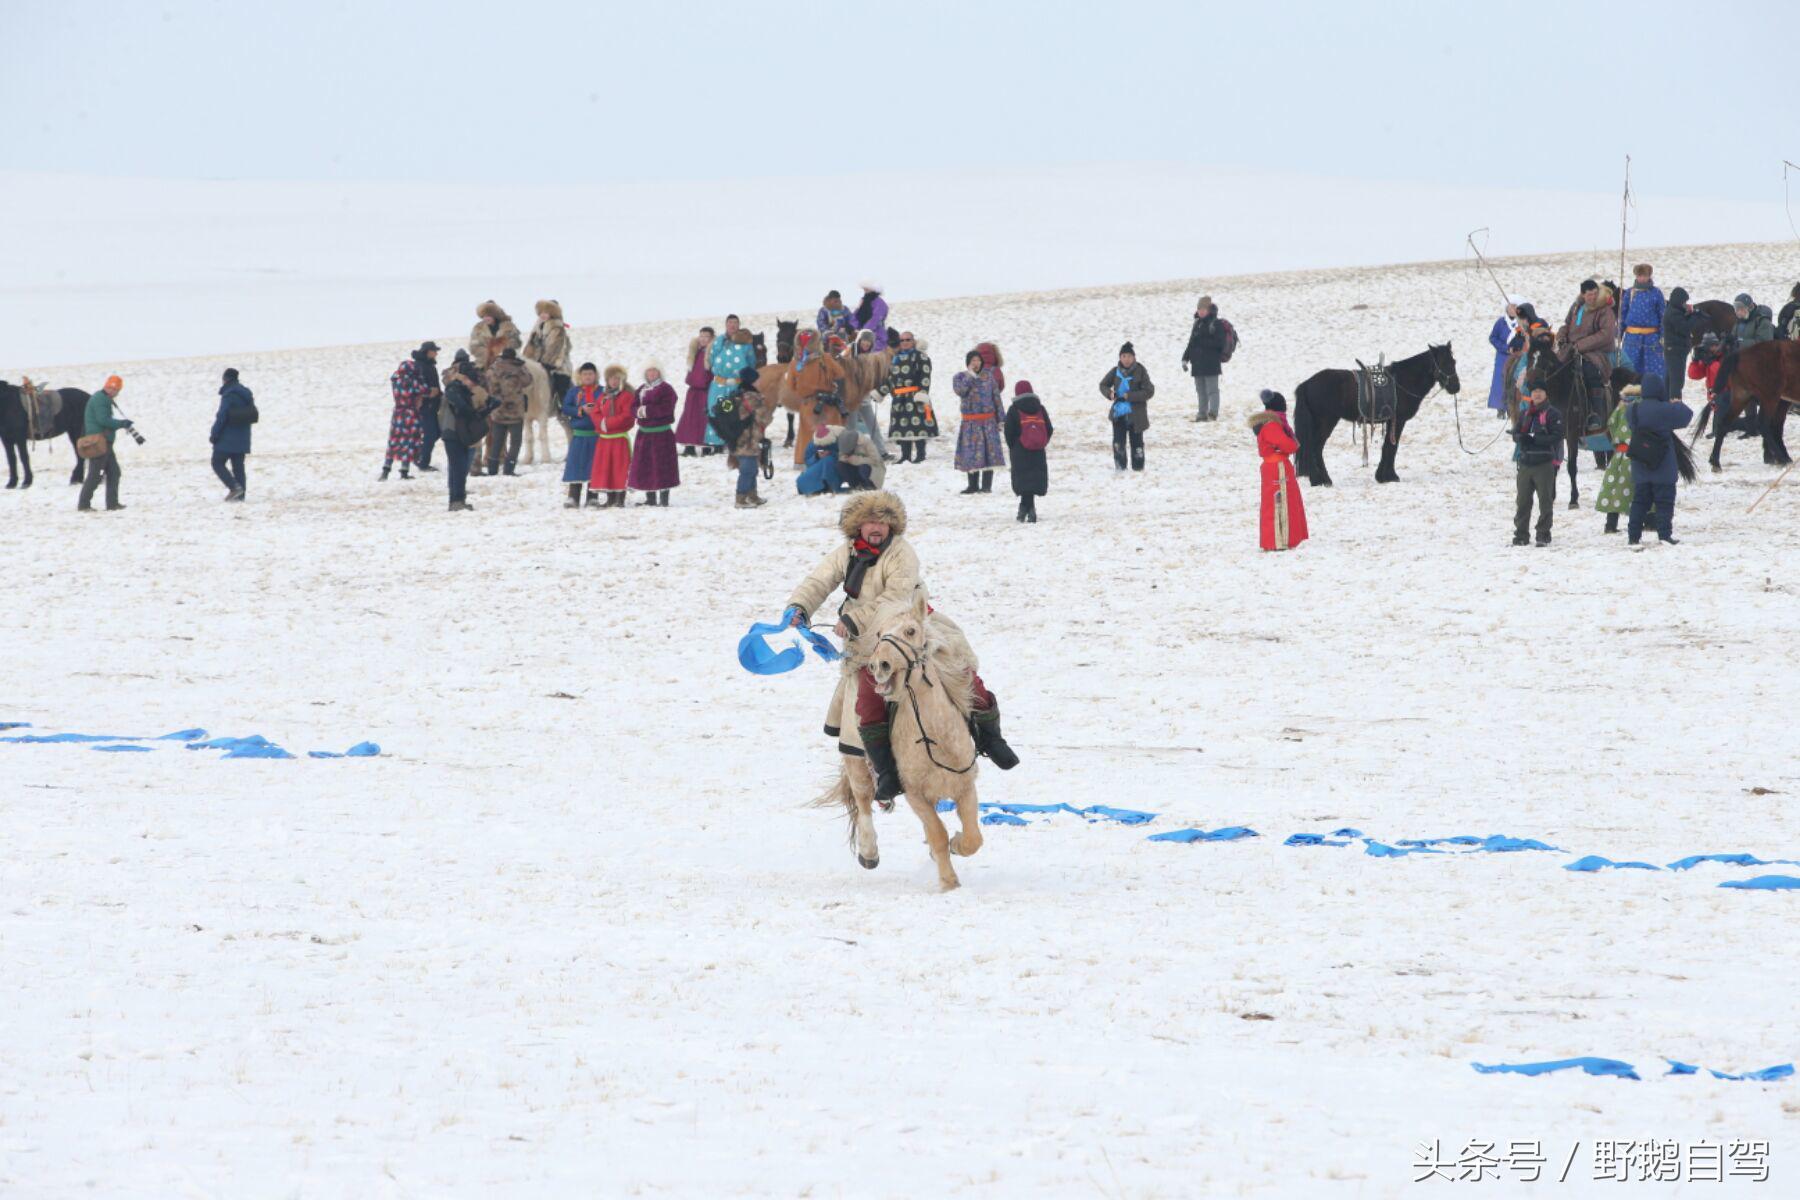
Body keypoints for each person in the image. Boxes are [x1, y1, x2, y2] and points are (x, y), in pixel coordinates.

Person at [783, 490, 1018, 803]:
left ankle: (991, 737)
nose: (876, 527)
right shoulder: (846, 553)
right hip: (870, 637)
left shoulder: (902, 553)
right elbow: (819, 580)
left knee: (961, 671)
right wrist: (800, 607)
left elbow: (896, 597)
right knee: (868, 698)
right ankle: (886, 770)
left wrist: (853, 620)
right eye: (870, 522)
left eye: (882, 522)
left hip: (909, 626)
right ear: (857, 526)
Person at [1624, 373, 1694, 546]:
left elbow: (1631, 423)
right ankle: (1664, 535)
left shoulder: (1632, 409)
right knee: (1664, 502)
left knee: (1639, 502)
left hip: (1641, 462)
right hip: (1663, 464)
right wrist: (1677, 404)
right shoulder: (1666, 409)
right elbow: (1687, 416)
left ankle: (1633, 536)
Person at [1250, 390, 1308, 551]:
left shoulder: (1267, 423)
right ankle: (1280, 540)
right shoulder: (1273, 425)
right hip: (1278, 467)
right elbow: (1289, 445)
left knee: (1274, 502)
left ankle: (1277, 539)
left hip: (1273, 465)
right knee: (1281, 502)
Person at [1558, 280, 1617, 434]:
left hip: (1595, 351)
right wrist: (1561, 337)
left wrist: (1581, 345)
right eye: (1589, 294)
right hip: (1572, 349)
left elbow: (1606, 334)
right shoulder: (1576, 307)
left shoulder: (1604, 310)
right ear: (1583, 295)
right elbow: (1566, 324)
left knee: (1590, 371)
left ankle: (1595, 412)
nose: (1593, 297)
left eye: (1595, 294)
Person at [1511, 378, 1564, 546]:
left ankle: (1543, 534)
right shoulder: (1525, 413)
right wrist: (1519, 437)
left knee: (1545, 502)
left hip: (1544, 464)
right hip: (1525, 463)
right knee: (1522, 502)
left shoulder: (1553, 414)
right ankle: (1521, 534)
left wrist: (1534, 438)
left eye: (1540, 391)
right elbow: (1516, 433)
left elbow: (1557, 436)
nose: (1537, 394)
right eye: (1534, 391)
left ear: (1546, 394)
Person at [440, 350, 495, 512]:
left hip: (459, 433)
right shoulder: (454, 389)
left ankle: (459, 499)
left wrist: (488, 408)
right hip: (453, 433)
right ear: (465, 378)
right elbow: (464, 410)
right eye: (472, 382)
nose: (473, 385)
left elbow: (468, 413)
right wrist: (482, 411)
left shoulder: (459, 389)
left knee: (460, 468)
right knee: (458, 468)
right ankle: (456, 501)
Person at [785, 329, 847, 464]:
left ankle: (806, 463)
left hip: (808, 406)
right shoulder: (825, 358)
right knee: (831, 437)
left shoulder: (795, 363)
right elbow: (840, 373)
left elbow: (790, 386)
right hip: (829, 405)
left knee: (807, 438)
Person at [952, 348, 1006, 493]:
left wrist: (1001, 419)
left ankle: (986, 486)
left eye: (978, 360)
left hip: (988, 422)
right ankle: (973, 485)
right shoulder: (960, 377)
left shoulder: (989, 377)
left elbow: (996, 398)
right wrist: (970, 375)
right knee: (971, 453)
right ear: (968, 363)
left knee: (989, 453)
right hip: (970, 423)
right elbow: (960, 391)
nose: (976, 363)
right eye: (973, 361)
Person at [383, 342, 438, 480]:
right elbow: (426, 390)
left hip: (398, 414)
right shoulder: (412, 381)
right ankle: (404, 471)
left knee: (394, 441)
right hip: (411, 414)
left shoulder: (396, 381)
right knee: (409, 442)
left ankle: (386, 470)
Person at [1594, 378, 1642, 534]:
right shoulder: (1643, 406)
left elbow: (1611, 424)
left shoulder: (1621, 406)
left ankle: (1611, 524)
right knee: (1640, 489)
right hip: (1639, 453)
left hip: (1620, 454)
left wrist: (1616, 443)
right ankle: (1647, 521)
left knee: (1615, 489)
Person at [77, 374, 131, 512]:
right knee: (95, 475)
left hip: (104, 442)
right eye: (112, 388)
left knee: (114, 472)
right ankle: (84, 505)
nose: (114, 392)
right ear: (107, 387)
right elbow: (103, 420)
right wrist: (122, 423)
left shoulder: (101, 398)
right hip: (99, 443)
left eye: (116, 390)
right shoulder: (101, 400)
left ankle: (112, 504)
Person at [629, 363, 680, 507]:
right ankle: (650, 498)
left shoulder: (666, 389)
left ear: (659, 372)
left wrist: (646, 411)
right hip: (644, 434)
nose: (651, 373)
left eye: (654, 371)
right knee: (646, 465)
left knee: (663, 465)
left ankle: (664, 499)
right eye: (649, 371)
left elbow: (667, 408)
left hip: (662, 434)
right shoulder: (641, 389)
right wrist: (637, 412)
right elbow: (632, 407)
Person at [1099, 342, 1155, 472]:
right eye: (1124, 356)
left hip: (1136, 415)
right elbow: (1103, 385)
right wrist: (1110, 393)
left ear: (1134, 357)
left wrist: (1129, 396)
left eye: (1129, 356)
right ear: (1120, 357)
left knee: (1137, 446)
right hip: (1119, 414)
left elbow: (1149, 391)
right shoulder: (1115, 371)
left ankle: (1138, 470)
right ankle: (1120, 469)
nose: (1126, 359)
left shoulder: (1140, 371)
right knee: (1118, 444)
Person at [706, 315, 757, 457]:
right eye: (730, 322)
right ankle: (716, 443)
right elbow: (711, 358)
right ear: (726, 324)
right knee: (715, 411)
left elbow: (751, 362)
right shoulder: (718, 341)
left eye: (735, 322)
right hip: (719, 384)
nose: (732, 325)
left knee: (734, 413)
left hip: (736, 385)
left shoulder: (745, 343)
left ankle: (734, 441)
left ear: (739, 325)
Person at [723, 365, 772, 508]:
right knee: (748, 470)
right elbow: (764, 418)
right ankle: (741, 498)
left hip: (738, 439)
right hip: (748, 440)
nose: (760, 382)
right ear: (752, 381)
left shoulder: (737, 395)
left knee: (752, 468)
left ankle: (752, 495)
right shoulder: (752, 397)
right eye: (757, 379)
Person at [1003, 380, 1052, 523]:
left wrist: (1014, 446)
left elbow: (1008, 431)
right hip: (1038, 450)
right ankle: (1028, 509)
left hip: (1020, 451)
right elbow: (1049, 428)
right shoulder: (1040, 408)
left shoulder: (1014, 409)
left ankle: (1025, 509)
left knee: (1024, 481)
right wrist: (1041, 441)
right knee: (1033, 480)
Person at [587, 364, 635, 508]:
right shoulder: (604, 397)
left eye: (617, 378)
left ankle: (619, 499)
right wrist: (601, 423)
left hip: (619, 439)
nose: (614, 381)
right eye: (611, 378)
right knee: (607, 468)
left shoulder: (627, 396)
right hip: (605, 440)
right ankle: (610, 498)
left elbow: (627, 416)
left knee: (619, 468)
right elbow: (595, 412)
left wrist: (607, 423)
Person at [883, 332, 936, 461]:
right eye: (902, 340)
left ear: (913, 341)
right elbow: (890, 379)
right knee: (902, 426)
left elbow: (925, 375)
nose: (905, 342)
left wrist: (922, 393)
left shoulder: (921, 357)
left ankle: (920, 454)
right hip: (899, 398)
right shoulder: (895, 358)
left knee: (918, 426)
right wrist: (880, 392)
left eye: (908, 339)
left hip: (915, 396)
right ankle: (905, 456)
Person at [209, 367, 255, 501]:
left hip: (227, 437)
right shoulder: (246, 394)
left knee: (217, 462)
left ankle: (234, 487)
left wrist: (214, 434)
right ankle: (240, 497)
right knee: (238, 467)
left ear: (225, 379)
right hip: (243, 437)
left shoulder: (229, 394)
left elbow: (222, 416)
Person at [483, 347, 531, 476]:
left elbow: (487, 382)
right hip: (515, 411)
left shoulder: (493, 368)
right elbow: (528, 381)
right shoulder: (518, 368)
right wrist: (523, 367)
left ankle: (492, 469)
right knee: (515, 442)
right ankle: (509, 469)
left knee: (497, 441)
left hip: (498, 410)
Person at [1181, 296, 1229, 421]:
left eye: (1203, 309)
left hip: (1211, 363)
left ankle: (1213, 413)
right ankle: (1202, 414)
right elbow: (1191, 343)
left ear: (1209, 309)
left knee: (1212, 390)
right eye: (1199, 309)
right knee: (1200, 391)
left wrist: (1202, 341)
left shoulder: (1216, 323)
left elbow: (1220, 343)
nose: (1201, 311)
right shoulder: (1197, 323)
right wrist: (1185, 358)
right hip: (1197, 364)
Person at [1615, 264, 1666, 382]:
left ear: (1649, 276)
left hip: (1651, 339)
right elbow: (1622, 315)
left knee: (1654, 371)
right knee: (1630, 370)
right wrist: (1619, 333)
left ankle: (1654, 391)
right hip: (1632, 340)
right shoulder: (1629, 293)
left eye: (1644, 276)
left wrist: (1663, 336)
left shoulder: (1656, 293)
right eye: (1639, 276)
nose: (1642, 278)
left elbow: (1663, 316)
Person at [561, 362, 601, 508]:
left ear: (595, 375)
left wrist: (597, 409)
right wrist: (580, 410)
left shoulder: (602, 391)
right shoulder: (574, 392)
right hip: (579, 435)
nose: (588, 377)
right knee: (576, 465)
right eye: (585, 374)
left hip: (596, 435)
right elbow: (565, 408)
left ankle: (592, 497)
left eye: (590, 374)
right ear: (580, 376)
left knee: (594, 465)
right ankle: (573, 497)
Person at [524, 299, 573, 415]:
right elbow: (531, 345)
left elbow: (555, 347)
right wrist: (526, 361)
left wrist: (546, 363)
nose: (543, 315)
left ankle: (565, 409)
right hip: (539, 364)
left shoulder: (557, 328)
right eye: (541, 312)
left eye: (546, 312)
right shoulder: (538, 327)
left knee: (561, 386)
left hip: (557, 366)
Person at [675, 327, 714, 456]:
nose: (703, 339)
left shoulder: (713, 354)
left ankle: (706, 446)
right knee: (690, 418)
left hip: (706, 391)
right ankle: (689, 446)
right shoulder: (695, 352)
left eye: (706, 336)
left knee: (704, 419)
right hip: (693, 391)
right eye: (701, 336)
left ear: (711, 338)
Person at [1485, 297, 1527, 416]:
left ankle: (1512, 406)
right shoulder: (1500, 322)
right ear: (1506, 308)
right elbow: (1493, 338)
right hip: (1502, 357)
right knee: (1500, 381)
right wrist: (1505, 348)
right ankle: (1500, 407)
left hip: (1517, 357)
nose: (1513, 309)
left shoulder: (1522, 323)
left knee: (1514, 380)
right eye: (1511, 306)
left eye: (1515, 306)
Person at [412, 337, 443, 473]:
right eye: (434, 351)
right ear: (428, 352)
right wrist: (429, 393)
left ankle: (419, 454)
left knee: (437, 432)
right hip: (424, 407)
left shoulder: (429, 365)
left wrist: (439, 395)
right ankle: (423, 462)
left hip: (432, 406)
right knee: (431, 434)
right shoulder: (419, 366)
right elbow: (417, 387)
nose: (436, 353)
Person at [469, 300, 522, 369]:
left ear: (495, 315)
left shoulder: (508, 327)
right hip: (483, 363)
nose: (486, 318)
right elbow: (474, 347)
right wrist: (490, 355)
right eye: (484, 316)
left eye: (489, 315)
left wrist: (502, 352)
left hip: (507, 362)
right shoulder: (478, 329)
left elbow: (516, 342)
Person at [1662, 287, 1695, 397]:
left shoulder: (1673, 310)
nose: (1685, 304)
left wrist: (1687, 313)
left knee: (1671, 378)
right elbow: (1685, 328)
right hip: (1676, 351)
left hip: (1674, 350)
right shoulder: (1674, 314)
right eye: (1684, 302)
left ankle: (1668, 401)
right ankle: (1675, 401)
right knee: (1676, 380)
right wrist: (1693, 317)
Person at [797, 423, 846, 496]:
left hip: (833, 469)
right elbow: (808, 461)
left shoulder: (838, 440)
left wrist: (831, 453)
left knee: (829, 460)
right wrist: (817, 456)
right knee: (827, 461)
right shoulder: (813, 444)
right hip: (817, 472)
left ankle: (828, 486)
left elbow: (844, 456)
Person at [835, 423, 885, 491]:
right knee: (840, 465)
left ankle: (869, 486)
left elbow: (875, 460)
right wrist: (844, 459)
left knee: (863, 468)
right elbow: (841, 455)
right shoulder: (843, 442)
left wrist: (857, 460)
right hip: (855, 468)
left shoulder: (866, 442)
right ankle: (855, 485)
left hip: (873, 469)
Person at [851, 283, 889, 350]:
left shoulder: (880, 303)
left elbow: (875, 319)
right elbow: (855, 317)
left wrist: (864, 332)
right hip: (860, 336)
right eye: (864, 290)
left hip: (877, 336)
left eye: (867, 289)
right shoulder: (864, 302)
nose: (865, 292)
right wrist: (852, 329)